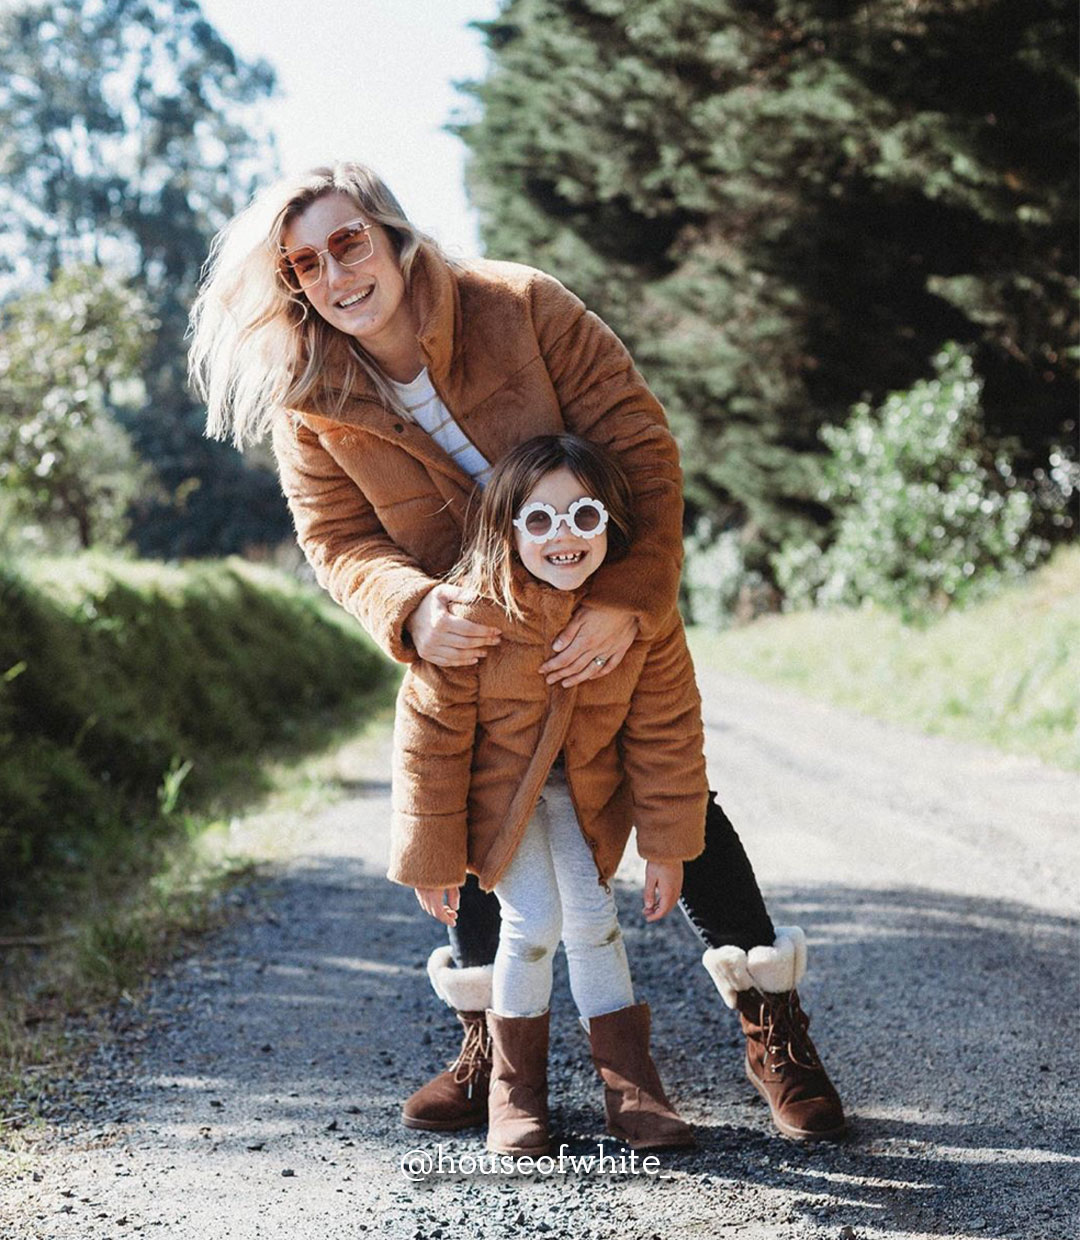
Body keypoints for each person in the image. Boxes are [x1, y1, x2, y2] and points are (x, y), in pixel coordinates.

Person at [189, 161, 846, 1143]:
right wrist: (411, 612)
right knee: (473, 806)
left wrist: (627, 601)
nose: (335, 272)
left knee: (672, 790)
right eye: (306, 263)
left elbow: (642, 446)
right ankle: (492, 1048)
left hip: (596, 615)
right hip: (474, 642)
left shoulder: (522, 304)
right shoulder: (310, 401)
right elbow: (338, 543)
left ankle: (772, 1026)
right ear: (295, 286)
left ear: (393, 236)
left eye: (348, 242)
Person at [389, 433, 705, 1154]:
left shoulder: (640, 618)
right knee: (535, 922)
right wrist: (431, 855)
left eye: (583, 518)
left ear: (610, 525)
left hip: (581, 796)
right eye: (539, 520)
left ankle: (632, 1092)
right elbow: (429, 741)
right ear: (507, 529)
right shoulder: (471, 615)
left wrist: (667, 847)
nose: (564, 537)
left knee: (595, 920)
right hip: (499, 805)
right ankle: (513, 1094)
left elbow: (668, 736)